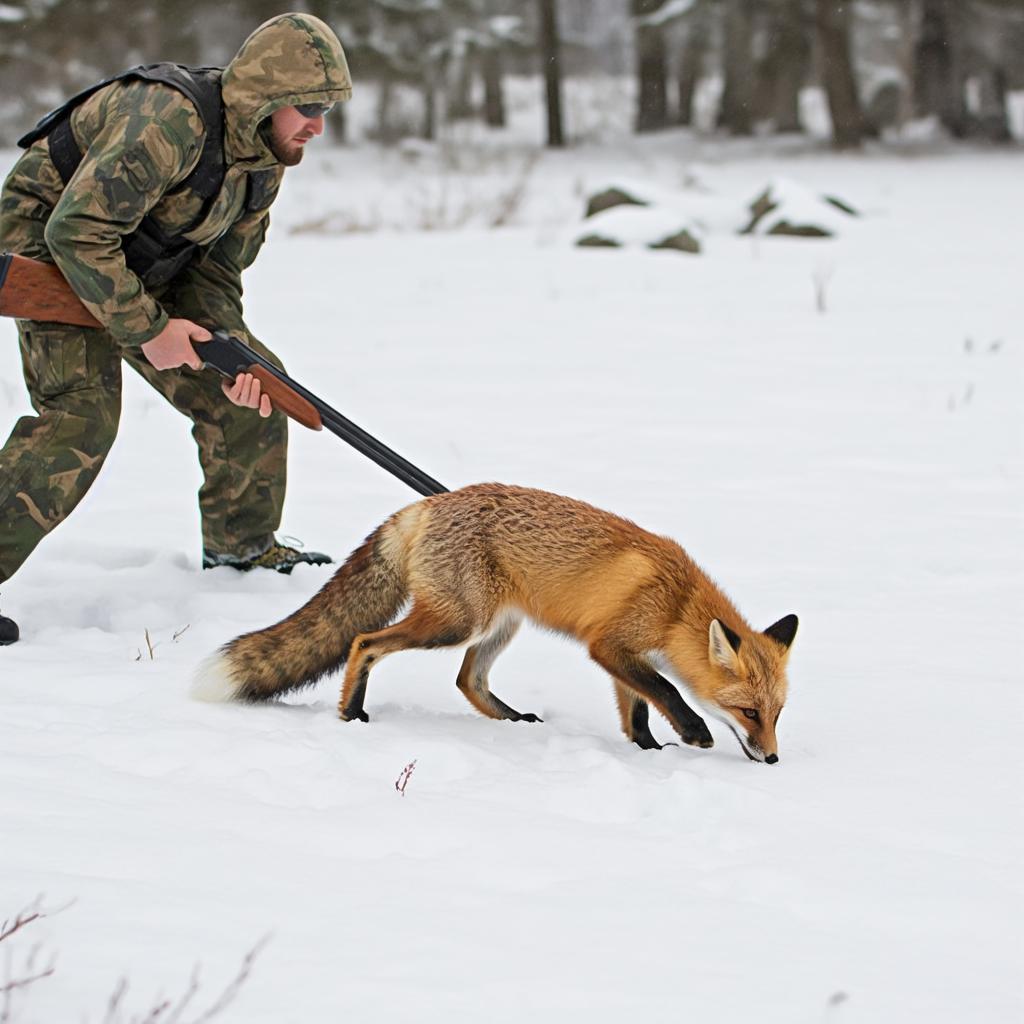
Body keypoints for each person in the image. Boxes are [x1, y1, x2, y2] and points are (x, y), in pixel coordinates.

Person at [0, 12, 353, 646]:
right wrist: (146, 330)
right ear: (263, 98)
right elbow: (76, 232)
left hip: (140, 262)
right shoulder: (168, 121)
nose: (317, 125)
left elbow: (215, 272)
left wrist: (226, 355)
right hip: (48, 253)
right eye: (306, 106)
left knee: (256, 386)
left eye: (327, 107)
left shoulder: (265, 159)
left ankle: (241, 554)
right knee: (79, 417)